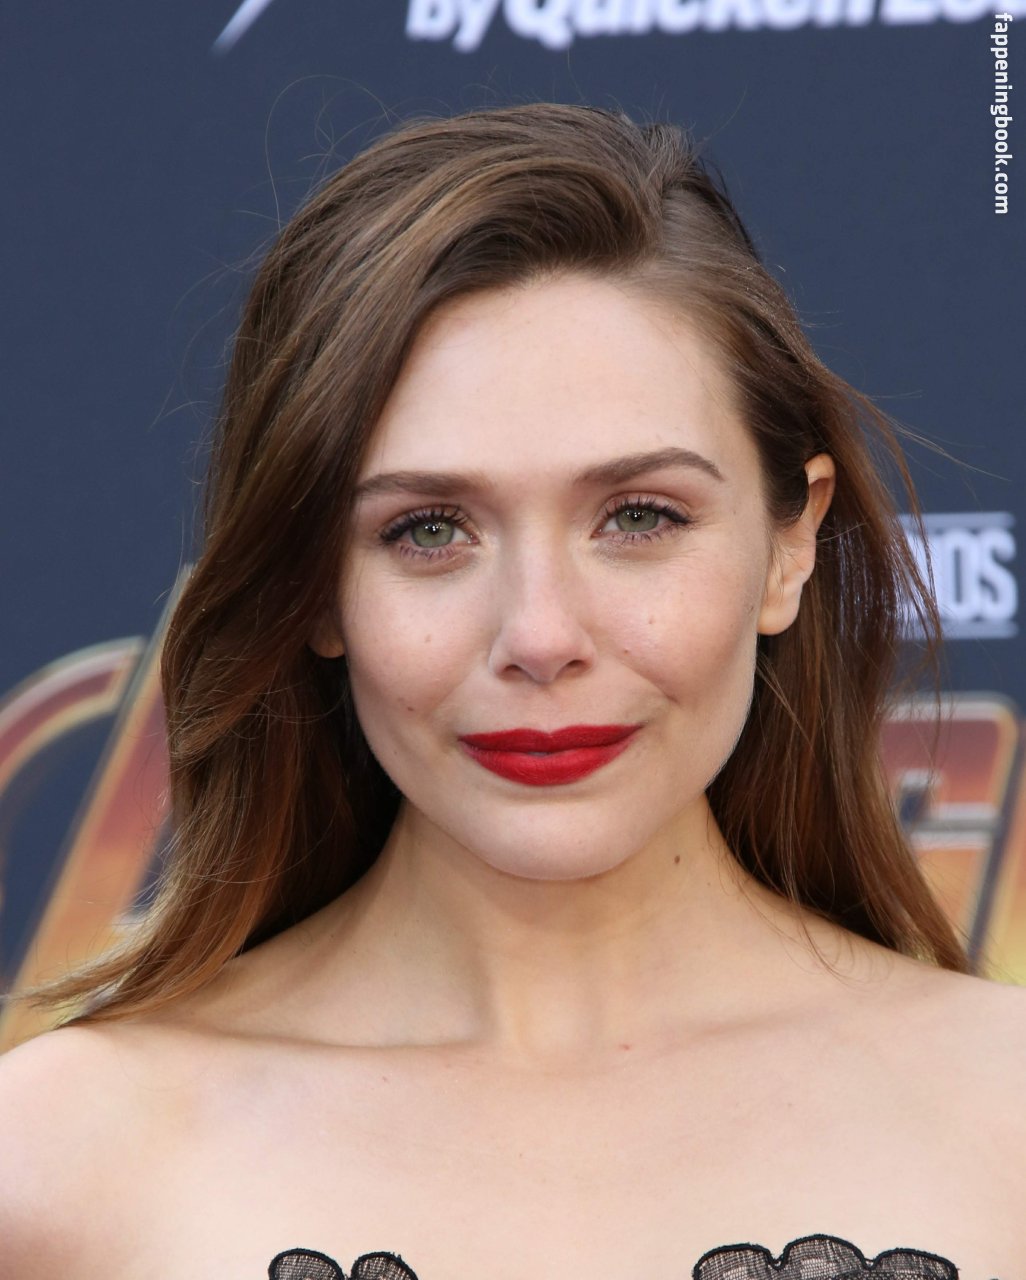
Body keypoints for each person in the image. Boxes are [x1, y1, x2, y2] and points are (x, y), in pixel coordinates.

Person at [1, 101, 1024, 1280]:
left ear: (790, 545)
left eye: (639, 516)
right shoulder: (56, 1160)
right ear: (313, 585)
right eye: (430, 529)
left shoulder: (1005, 1116)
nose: (540, 635)